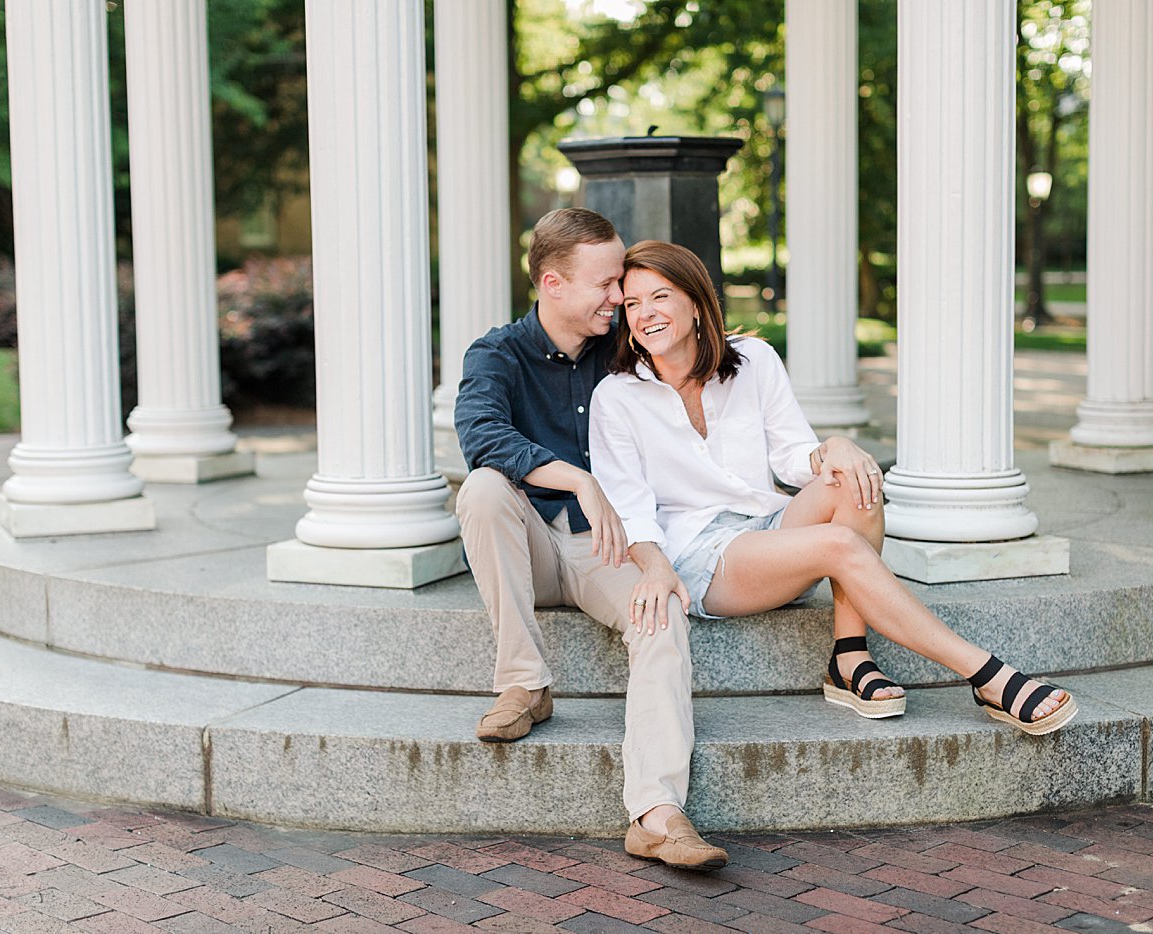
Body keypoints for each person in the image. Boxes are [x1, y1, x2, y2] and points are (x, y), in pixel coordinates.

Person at [588, 241, 1077, 735]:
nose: (644, 314)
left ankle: (849, 654)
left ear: (695, 302)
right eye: (632, 304)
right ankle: (986, 674)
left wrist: (836, 446)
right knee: (840, 543)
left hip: (769, 526)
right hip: (701, 556)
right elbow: (628, 506)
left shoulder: (753, 360)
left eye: (660, 297)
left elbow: (792, 456)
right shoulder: (616, 396)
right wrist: (652, 568)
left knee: (852, 478)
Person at [454, 210, 729, 871]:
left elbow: (709, 382)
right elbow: (482, 437)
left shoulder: (628, 349)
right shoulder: (497, 354)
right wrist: (577, 478)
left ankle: (658, 816)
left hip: (610, 548)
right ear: (552, 282)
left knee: (659, 611)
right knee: (485, 490)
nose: (620, 297)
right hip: (533, 543)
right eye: (608, 284)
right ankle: (525, 684)